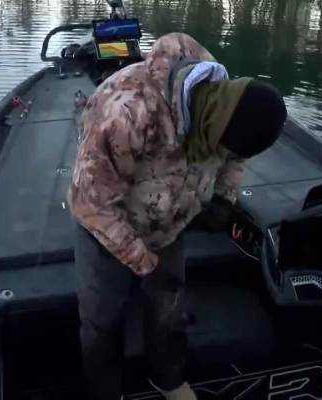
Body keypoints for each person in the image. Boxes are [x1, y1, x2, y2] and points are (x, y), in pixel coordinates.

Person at [68, 32, 287, 400]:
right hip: (107, 231)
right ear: (212, 125)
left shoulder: (225, 106)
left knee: (169, 311)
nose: (226, 154)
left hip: (169, 225)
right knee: (102, 323)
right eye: (222, 147)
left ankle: (167, 378)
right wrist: (143, 263)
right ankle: (105, 392)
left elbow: (236, 155)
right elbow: (93, 206)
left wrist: (223, 198)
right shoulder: (124, 112)